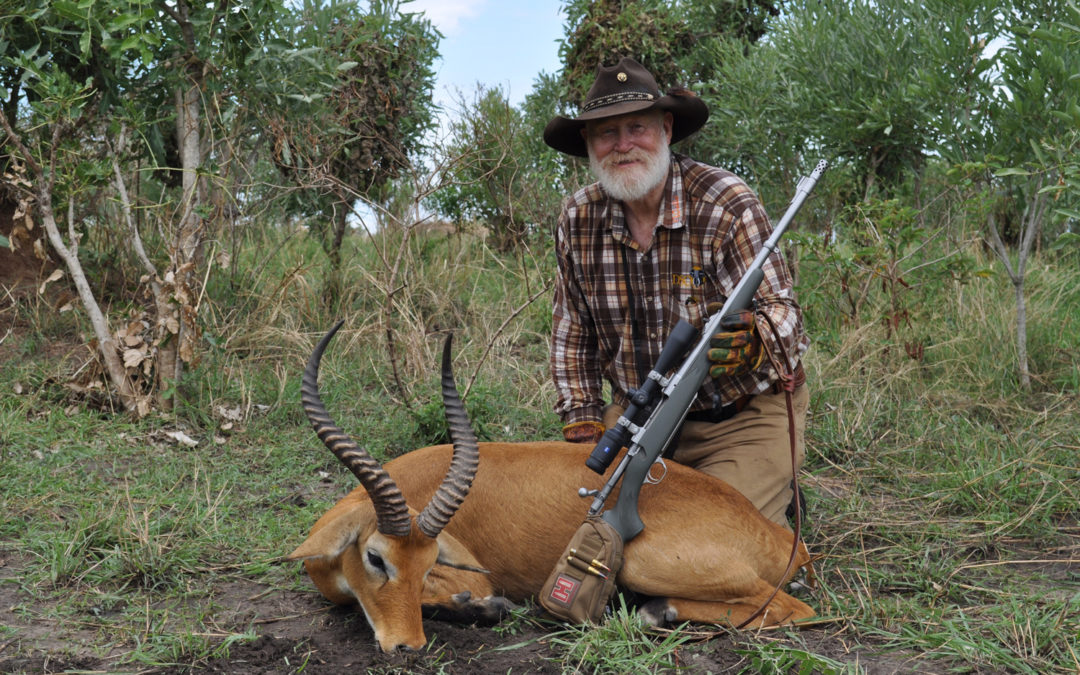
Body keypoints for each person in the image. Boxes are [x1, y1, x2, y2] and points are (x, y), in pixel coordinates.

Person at [544, 57, 810, 529]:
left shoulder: (727, 201)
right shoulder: (576, 218)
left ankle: (771, 492)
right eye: (606, 133)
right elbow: (572, 337)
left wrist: (754, 338)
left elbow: (784, 314)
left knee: (704, 537)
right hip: (635, 417)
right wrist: (584, 426)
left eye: (637, 127)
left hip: (737, 418)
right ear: (588, 143)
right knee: (573, 522)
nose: (623, 145)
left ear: (666, 128)